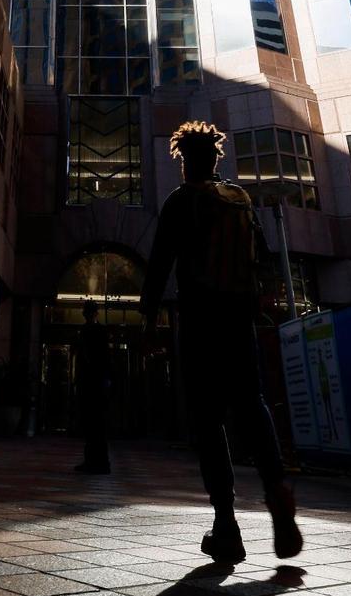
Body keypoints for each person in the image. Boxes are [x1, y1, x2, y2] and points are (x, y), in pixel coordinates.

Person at [139, 120, 302, 564]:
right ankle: (277, 492)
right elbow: (263, 258)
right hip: (238, 319)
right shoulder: (240, 200)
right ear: (215, 158)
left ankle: (226, 526)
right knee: (252, 404)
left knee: (208, 421)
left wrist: (149, 319)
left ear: (183, 160)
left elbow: (159, 263)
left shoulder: (180, 200)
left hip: (199, 321)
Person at [72, 299, 111, 474]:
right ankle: (95, 461)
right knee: (93, 424)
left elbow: (102, 358)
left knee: (95, 423)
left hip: (94, 381)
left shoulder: (94, 332)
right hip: (92, 381)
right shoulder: (89, 331)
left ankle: (98, 462)